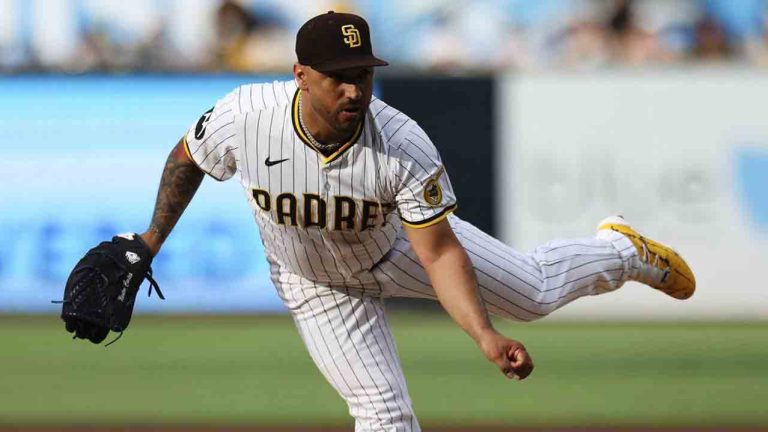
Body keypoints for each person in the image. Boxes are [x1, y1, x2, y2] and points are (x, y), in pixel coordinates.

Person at [138, 11, 695, 431]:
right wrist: (150, 240)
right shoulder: (248, 117)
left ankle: (622, 250)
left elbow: (438, 252)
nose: (354, 89)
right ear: (301, 76)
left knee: (535, 293)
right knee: (381, 411)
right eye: (338, 76)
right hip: (314, 281)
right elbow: (188, 157)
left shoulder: (402, 144)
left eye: (363, 73)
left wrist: (483, 335)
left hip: (395, 249)